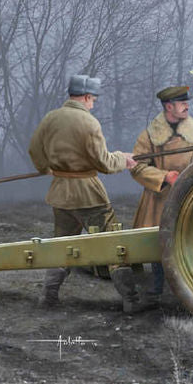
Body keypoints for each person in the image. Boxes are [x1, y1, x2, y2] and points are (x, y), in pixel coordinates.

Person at [28, 74, 139, 311]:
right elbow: (105, 164)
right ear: (87, 97)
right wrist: (124, 159)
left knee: (61, 246)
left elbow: (34, 150)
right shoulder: (89, 123)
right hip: (89, 194)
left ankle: (48, 298)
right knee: (113, 243)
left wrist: (47, 168)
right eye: (93, 100)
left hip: (60, 194)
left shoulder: (50, 119)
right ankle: (131, 300)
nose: (93, 104)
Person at [130, 85, 193, 308]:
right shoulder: (150, 135)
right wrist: (164, 177)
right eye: (181, 103)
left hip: (189, 195)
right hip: (160, 199)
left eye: (186, 102)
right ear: (168, 107)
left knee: (191, 242)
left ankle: (192, 291)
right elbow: (137, 167)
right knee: (158, 247)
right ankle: (156, 293)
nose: (187, 106)